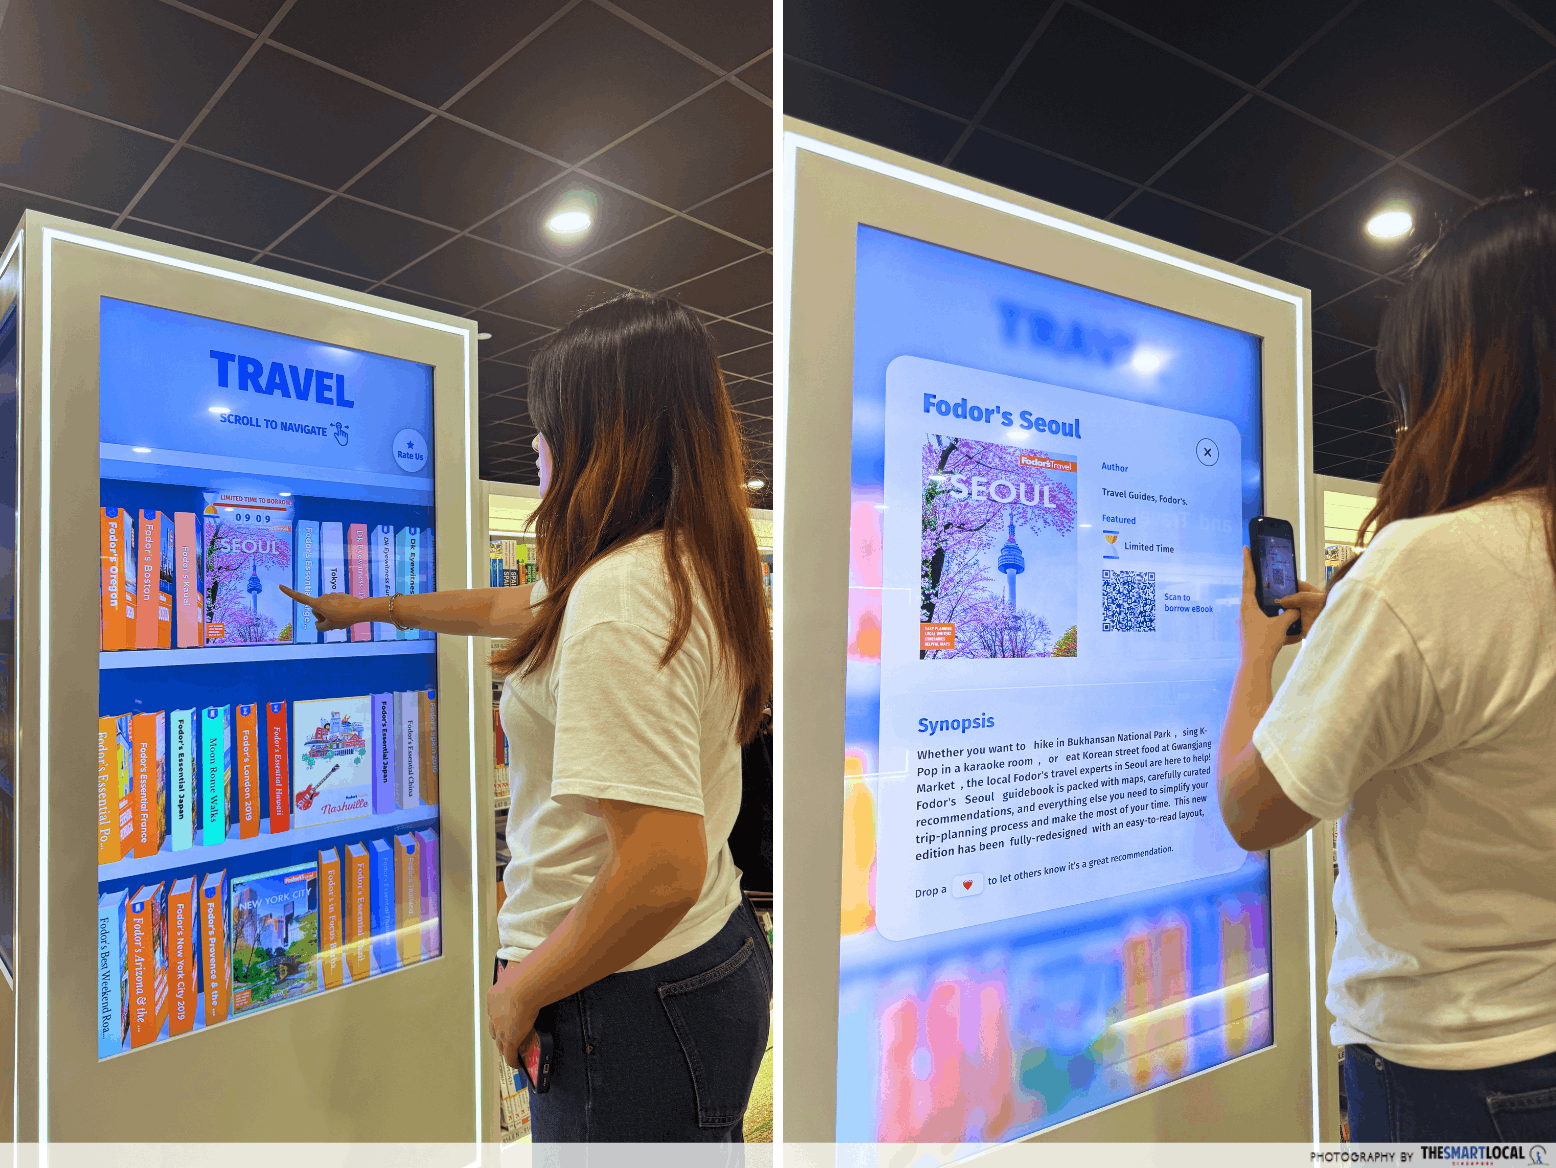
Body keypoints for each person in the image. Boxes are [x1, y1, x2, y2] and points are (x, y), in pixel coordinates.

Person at [284, 292, 773, 1144]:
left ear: (602, 434)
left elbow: (659, 870)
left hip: (627, 999)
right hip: (703, 963)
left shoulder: (623, 596)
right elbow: (517, 605)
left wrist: (522, 990)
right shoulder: (680, 560)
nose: (537, 448)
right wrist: (378, 604)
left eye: (548, 427)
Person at [1214, 190, 1556, 1141]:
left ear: (1464, 374)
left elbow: (1253, 811)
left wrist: (1255, 658)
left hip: (1448, 1069)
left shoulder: (1426, 566)